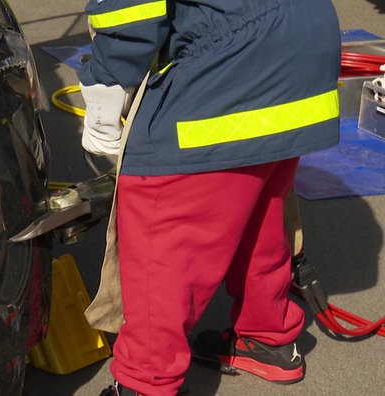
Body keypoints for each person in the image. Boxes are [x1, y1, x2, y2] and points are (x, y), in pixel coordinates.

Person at [77, 0, 342, 395]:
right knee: (260, 202)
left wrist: (103, 86)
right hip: (303, 46)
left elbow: (129, 12)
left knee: (163, 214)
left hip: (238, 57)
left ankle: (145, 382)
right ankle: (266, 334)